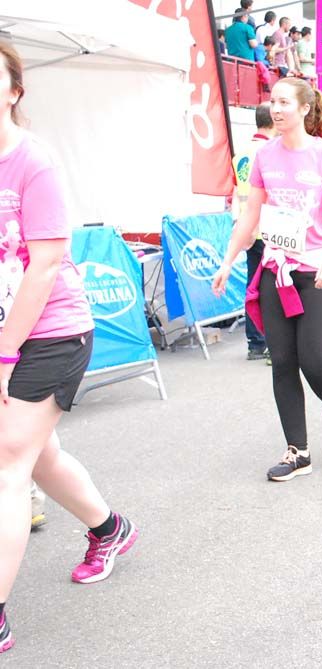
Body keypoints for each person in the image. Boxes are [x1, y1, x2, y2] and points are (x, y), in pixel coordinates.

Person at [0, 43, 138, 656]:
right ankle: (110, 528)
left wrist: (4, 355)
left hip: (51, 332)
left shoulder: (34, 161)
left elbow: (46, 263)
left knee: (7, 463)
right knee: (37, 451)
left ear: (14, 90)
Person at [212, 78, 322, 480]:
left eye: (283, 102)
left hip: (317, 270)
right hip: (276, 268)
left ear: (304, 109)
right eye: (271, 101)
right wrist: (228, 260)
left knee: (313, 362)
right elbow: (251, 214)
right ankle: (298, 452)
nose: (275, 109)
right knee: (282, 362)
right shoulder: (265, 156)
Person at [232, 103, 276, 360]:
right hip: (269, 228)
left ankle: (255, 343)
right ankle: (272, 342)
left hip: (249, 227)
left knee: (253, 286)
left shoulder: (241, 153)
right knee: (272, 289)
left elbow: (236, 193)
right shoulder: (270, 151)